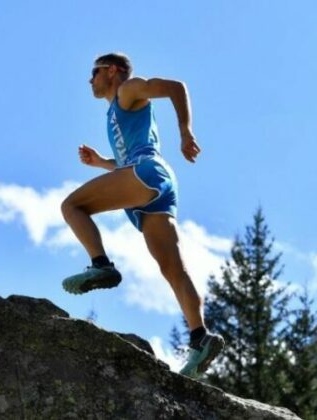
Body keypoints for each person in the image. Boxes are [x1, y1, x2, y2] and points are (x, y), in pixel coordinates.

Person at [60, 52, 224, 378]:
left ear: (112, 70)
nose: (90, 80)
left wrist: (186, 132)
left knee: (72, 207)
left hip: (145, 172)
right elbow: (126, 161)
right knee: (172, 268)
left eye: (94, 72)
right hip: (153, 182)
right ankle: (200, 337)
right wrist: (102, 163)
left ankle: (101, 265)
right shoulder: (117, 110)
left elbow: (176, 87)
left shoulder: (128, 89)